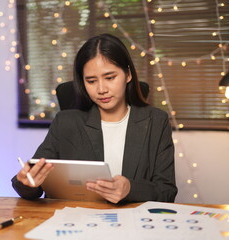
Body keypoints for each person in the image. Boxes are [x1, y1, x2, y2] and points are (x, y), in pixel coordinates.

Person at [11, 33, 177, 203]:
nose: (101, 89)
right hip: (73, 221)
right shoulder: (65, 122)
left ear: (128, 75)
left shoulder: (156, 121)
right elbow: (31, 181)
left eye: (110, 78)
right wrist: (28, 184)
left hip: (131, 222)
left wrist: (130, 189)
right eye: (91, 81)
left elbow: (167, 191)